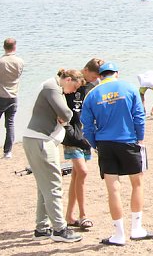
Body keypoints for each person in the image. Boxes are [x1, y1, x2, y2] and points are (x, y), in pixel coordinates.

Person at [81, 62, 153, 246]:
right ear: (116, 73)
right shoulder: (128, 87)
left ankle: (119, 234)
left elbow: (87, 125)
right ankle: (136, 229)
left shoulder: (92, 94)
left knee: (112, 189)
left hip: (105, 143)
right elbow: (139, 115)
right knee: (137, 183)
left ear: (100, 75)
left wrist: (94, 144)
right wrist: (140, 138)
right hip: (128, 140)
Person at [23, 68, 85, 243]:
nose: (74, 91)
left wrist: (63, 117)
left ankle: (42, 228)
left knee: (44, 186)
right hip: (41, 140)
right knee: (53, 186)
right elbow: (66, 113)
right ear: (68, 79)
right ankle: (59, 229)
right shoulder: (52, 87)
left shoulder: (52, 87)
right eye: (75, 87)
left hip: (35, 139)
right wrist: (66, 116)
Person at [63, 58, 101, 231]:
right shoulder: (71, 85)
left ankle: (70, 216)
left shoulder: (92, 88)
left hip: (85, 137)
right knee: (83, 173)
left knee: (76, 177)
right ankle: (83, 215)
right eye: (93, 76)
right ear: (85, 70)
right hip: (72, 136)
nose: (95, 80)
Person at [1, 37, 24, 159]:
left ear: (4, 47)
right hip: (14, 96)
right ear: (15, 47)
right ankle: (8, 152)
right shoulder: (20, 61)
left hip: (1, 96)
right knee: (9, 124)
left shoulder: (1, 62)